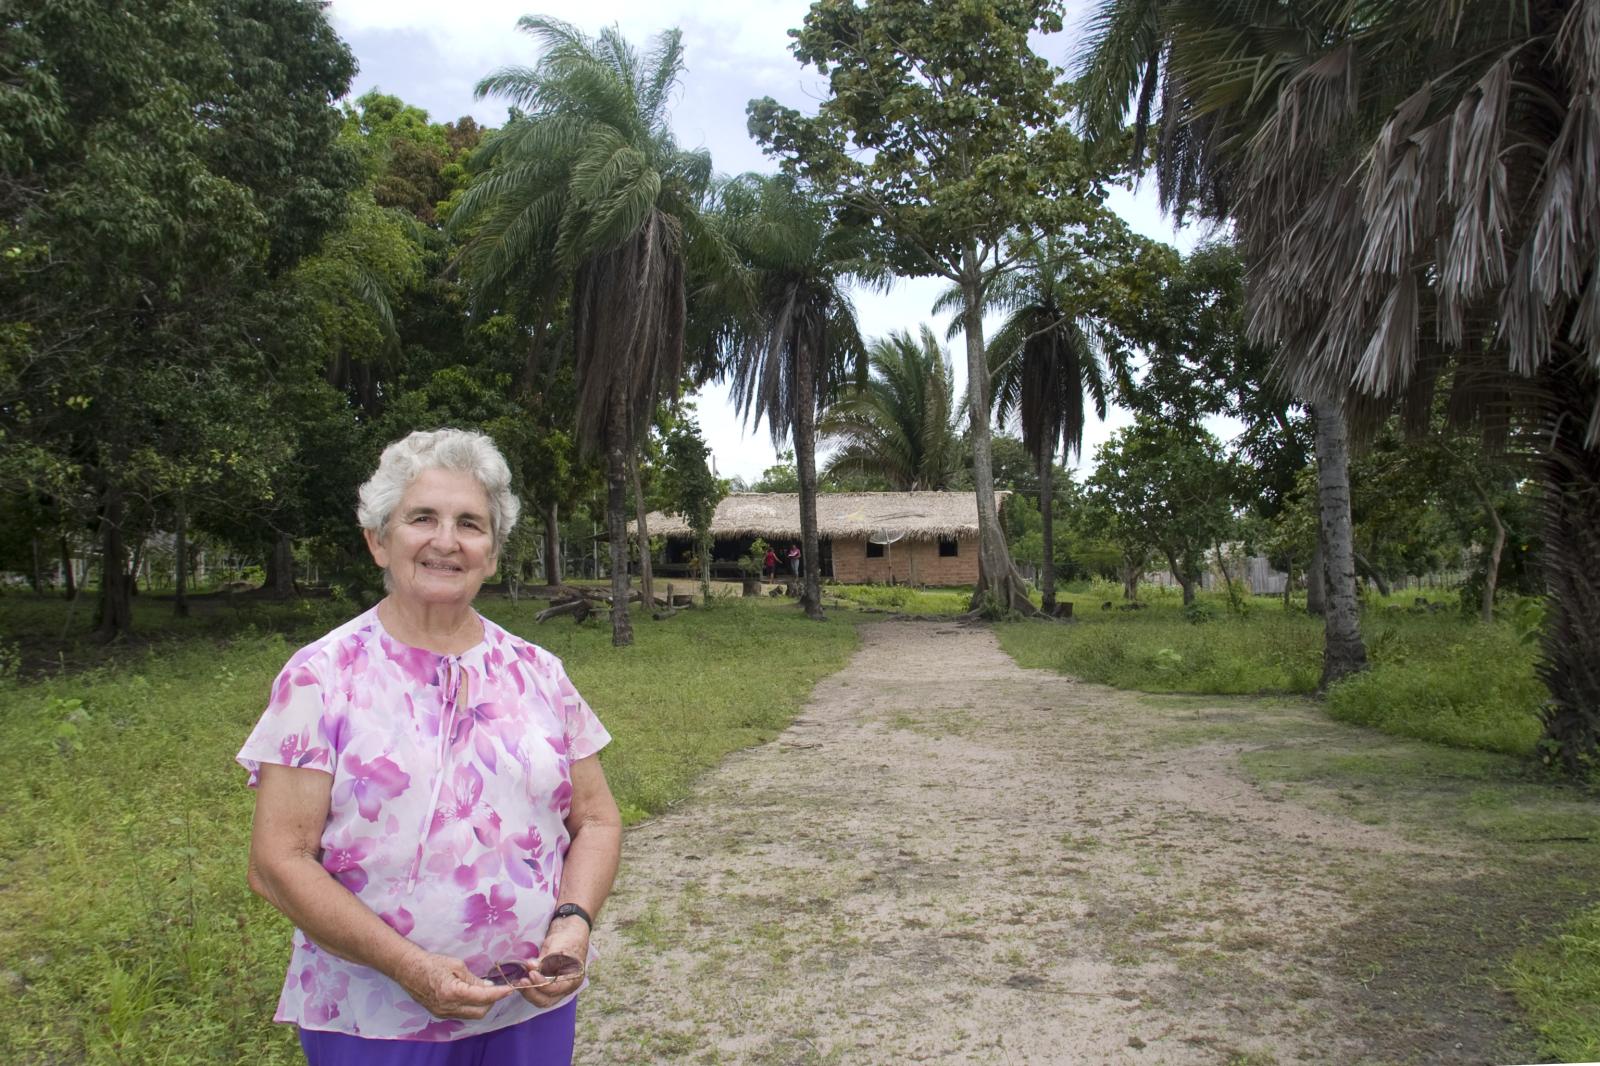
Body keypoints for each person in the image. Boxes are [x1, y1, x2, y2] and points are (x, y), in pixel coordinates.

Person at [238, 429, 622, 1065]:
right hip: (371, 1018)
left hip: (527, 1007)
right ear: (378, 541)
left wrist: (574, 924)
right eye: (422, 518)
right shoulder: (321, 676)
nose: (447, 541)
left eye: (470, 524)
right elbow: (277, 862)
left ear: (492, 553)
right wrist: (411, 968)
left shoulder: (539, 672)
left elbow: (599, 819)